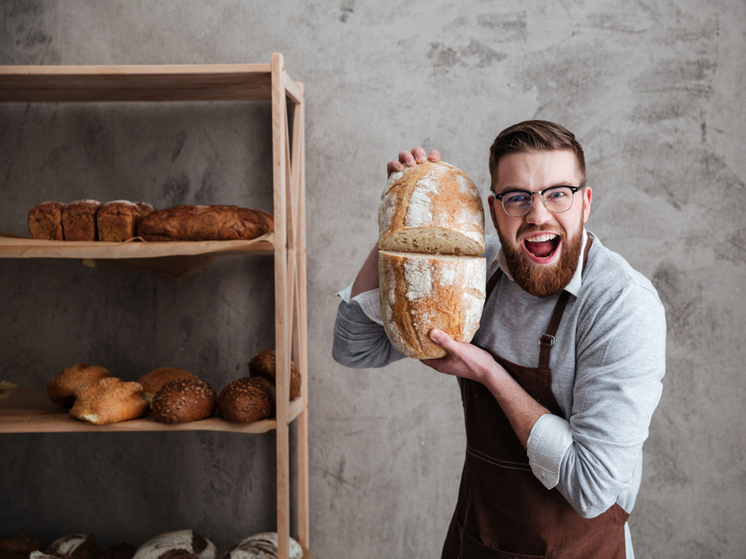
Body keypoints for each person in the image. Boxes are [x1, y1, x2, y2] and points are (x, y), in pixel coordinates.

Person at [332, 120, 666, 558]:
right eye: (518, 198)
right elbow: (354, 347)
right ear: (494, 211)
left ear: (585, 203)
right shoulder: (474, 268)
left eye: (557, 193)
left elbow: (592, 488)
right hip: (479, 540)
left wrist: (489, 373)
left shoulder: (622, 306)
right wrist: (402, 220)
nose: (538, 215)